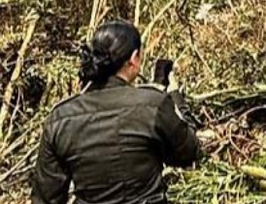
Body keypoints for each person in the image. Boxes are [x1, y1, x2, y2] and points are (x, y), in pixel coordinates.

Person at [30, 20, 201, 204]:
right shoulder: (153, 104)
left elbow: (46, 198)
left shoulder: (60, 118)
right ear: (134, 58)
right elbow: (189, 153)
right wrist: (174, 96)